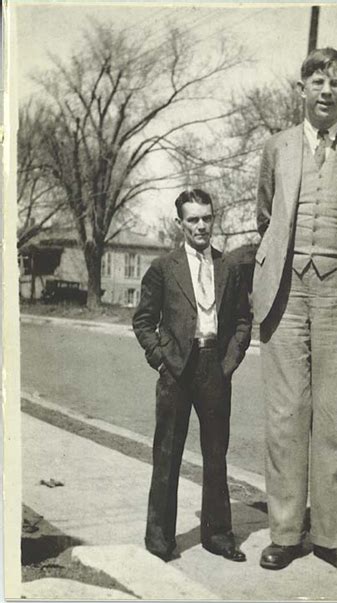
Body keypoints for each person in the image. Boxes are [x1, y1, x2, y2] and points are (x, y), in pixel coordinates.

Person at [252, 48, 337, 576]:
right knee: (285, 418)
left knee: (334, 419)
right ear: (302, 88)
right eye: (318, 80)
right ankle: (285, 534)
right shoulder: (276, 147)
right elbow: (266, 215)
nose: (327, 90)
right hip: (285, 293)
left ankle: (334, 539)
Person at [133, 189, 251, 563]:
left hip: (214, 366)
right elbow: (143, 321)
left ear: (213, 219)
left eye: (207, 218)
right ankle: (160, 540)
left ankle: (217, 535)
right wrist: (161, 360)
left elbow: (244, 321)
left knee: (216, 455)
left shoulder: (229, 267)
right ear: (179, 223)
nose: (201, 226)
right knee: (167, 454)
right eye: (193, 219)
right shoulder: (163, 268)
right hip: (176, 371)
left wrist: (229, 362)